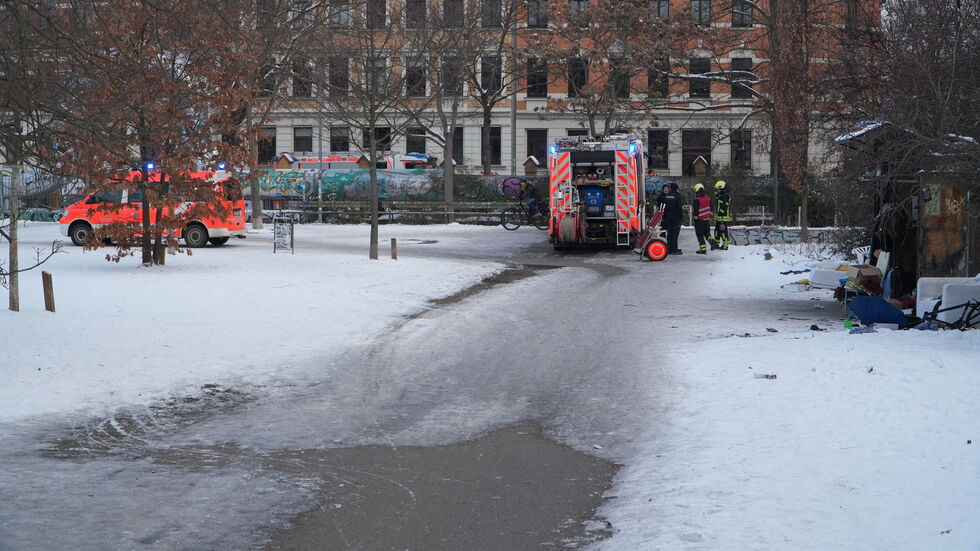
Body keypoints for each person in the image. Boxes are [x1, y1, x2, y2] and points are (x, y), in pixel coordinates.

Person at [658, 182, 684, 254]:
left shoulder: (667, 196)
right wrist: (680, 217)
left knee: (669, 234)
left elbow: (664, 208)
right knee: (675, 234)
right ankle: (674, 250)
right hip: (675, 218)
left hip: (668, 218)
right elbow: (679, 208)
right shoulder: (677, 196)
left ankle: (669, 249)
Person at [692, 183, 714, 254]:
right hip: (707, 219)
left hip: (699, 220)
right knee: (707, 233)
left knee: (700, 235)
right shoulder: (708, 198)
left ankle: (703, 249)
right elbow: (711, 207)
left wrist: (695, 218)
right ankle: (713, 243)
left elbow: (695, 211)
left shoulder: (697, 199)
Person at [713, 180, 732, 250]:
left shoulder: (725, 196)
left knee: (723, 232)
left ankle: (725, 245)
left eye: (717, 189)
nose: (716, 191)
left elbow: (723, 207)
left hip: (723, 217)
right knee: (717, 231)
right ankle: (716, 244)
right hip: (719, 217)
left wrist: (719, 213)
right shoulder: (721, 196)